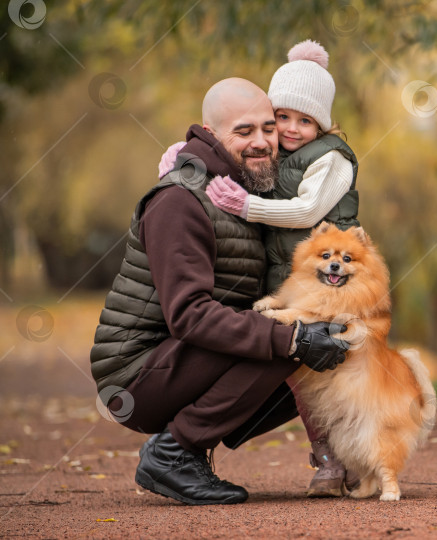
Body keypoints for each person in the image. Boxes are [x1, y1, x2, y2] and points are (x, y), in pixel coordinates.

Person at [90, 77, 349, 506]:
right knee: (287, 338)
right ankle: (173, 453)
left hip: (179, 358)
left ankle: (341, 455)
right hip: (133, 375)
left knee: (325, 346)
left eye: (269, 128)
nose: (262, 141)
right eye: (243, 131)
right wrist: (292, 337)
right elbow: (189, 315)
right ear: (209, 135)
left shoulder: (246, 194)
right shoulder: (179, 200)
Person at [158, 41, 360, 498]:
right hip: (286, 281)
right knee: (297, 363)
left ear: (323, 125)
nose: (286, 130)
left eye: (301, 121)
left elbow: (306, 210)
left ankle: (355, 450)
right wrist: (180, 158)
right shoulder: (274, 156)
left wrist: (246, 205)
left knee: (326, 362)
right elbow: (219, 156)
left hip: (326, 279)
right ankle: (328, 456)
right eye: (280, 117)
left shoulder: (331, 158)